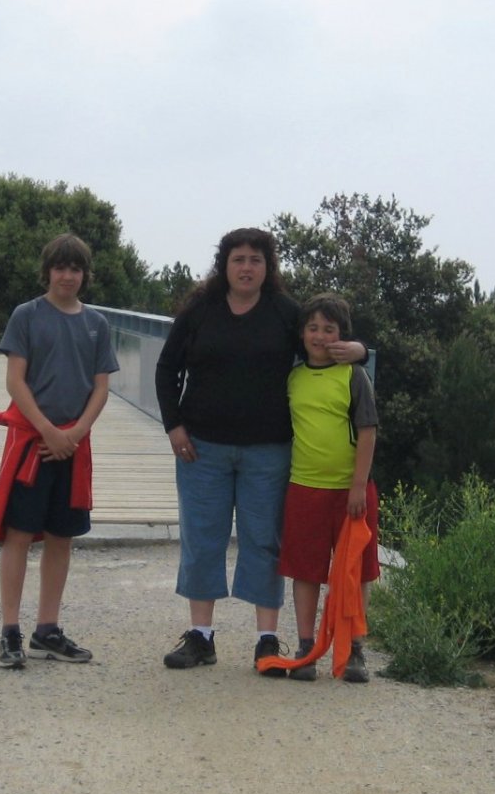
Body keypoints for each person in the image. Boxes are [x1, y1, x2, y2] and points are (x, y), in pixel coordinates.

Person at [155, 228, 365, 673]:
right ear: (224, 265)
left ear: (268, 267)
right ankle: (201, 637)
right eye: (238, 259)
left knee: (263, 543)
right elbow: (167, 366)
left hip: (268, 451)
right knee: (202, 539)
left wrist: (360, 350)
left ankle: (266, 639)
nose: (246, 267)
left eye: (255, 259)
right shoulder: (200, 310)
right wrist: (173, 424)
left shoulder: (285, 313)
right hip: (202, 447)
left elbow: (321, 345)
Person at [0, 233, 119, 669]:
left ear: (85, 275)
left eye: (75, 269)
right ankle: (10, 631)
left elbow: (102, 387)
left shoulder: (97, 323)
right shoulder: (27, 315)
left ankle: (48, 628)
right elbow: (15, 381)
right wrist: (47, 430)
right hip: (32, 441)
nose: (67, 276)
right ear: (48, 272)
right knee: (20, 534)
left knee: (62, 537)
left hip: (73, 446)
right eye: (60, 268)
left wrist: (76, 433)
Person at [277, 294, 380, 683]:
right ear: (302, 333)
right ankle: (306, 648)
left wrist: (358, 485)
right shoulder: (292, 378)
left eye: (329, 329)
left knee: (356, 570)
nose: (320, 336)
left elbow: (368, 431)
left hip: (351, 491)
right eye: (313, 328)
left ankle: (355, 649)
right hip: (305, 486)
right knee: (305, 571)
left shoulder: (354, 376)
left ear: (343, 336)